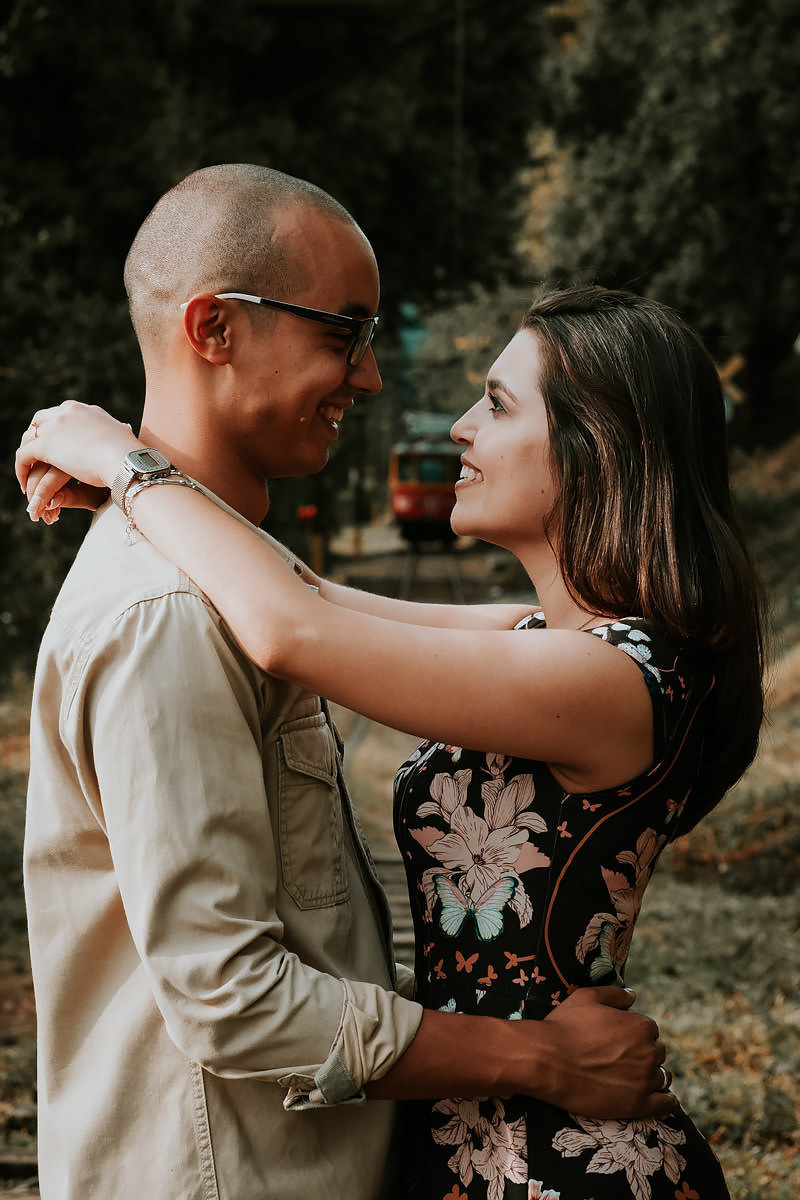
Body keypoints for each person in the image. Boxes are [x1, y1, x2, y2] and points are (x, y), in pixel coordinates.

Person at [15, 169, 674, 1200]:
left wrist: (130, 463)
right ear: (215, 329)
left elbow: (301, 616)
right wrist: (537, 1057)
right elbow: (232, 1001)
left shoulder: (594, 664)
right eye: (345, 332)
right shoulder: (173, 614)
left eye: (494, 405)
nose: (370, 382)